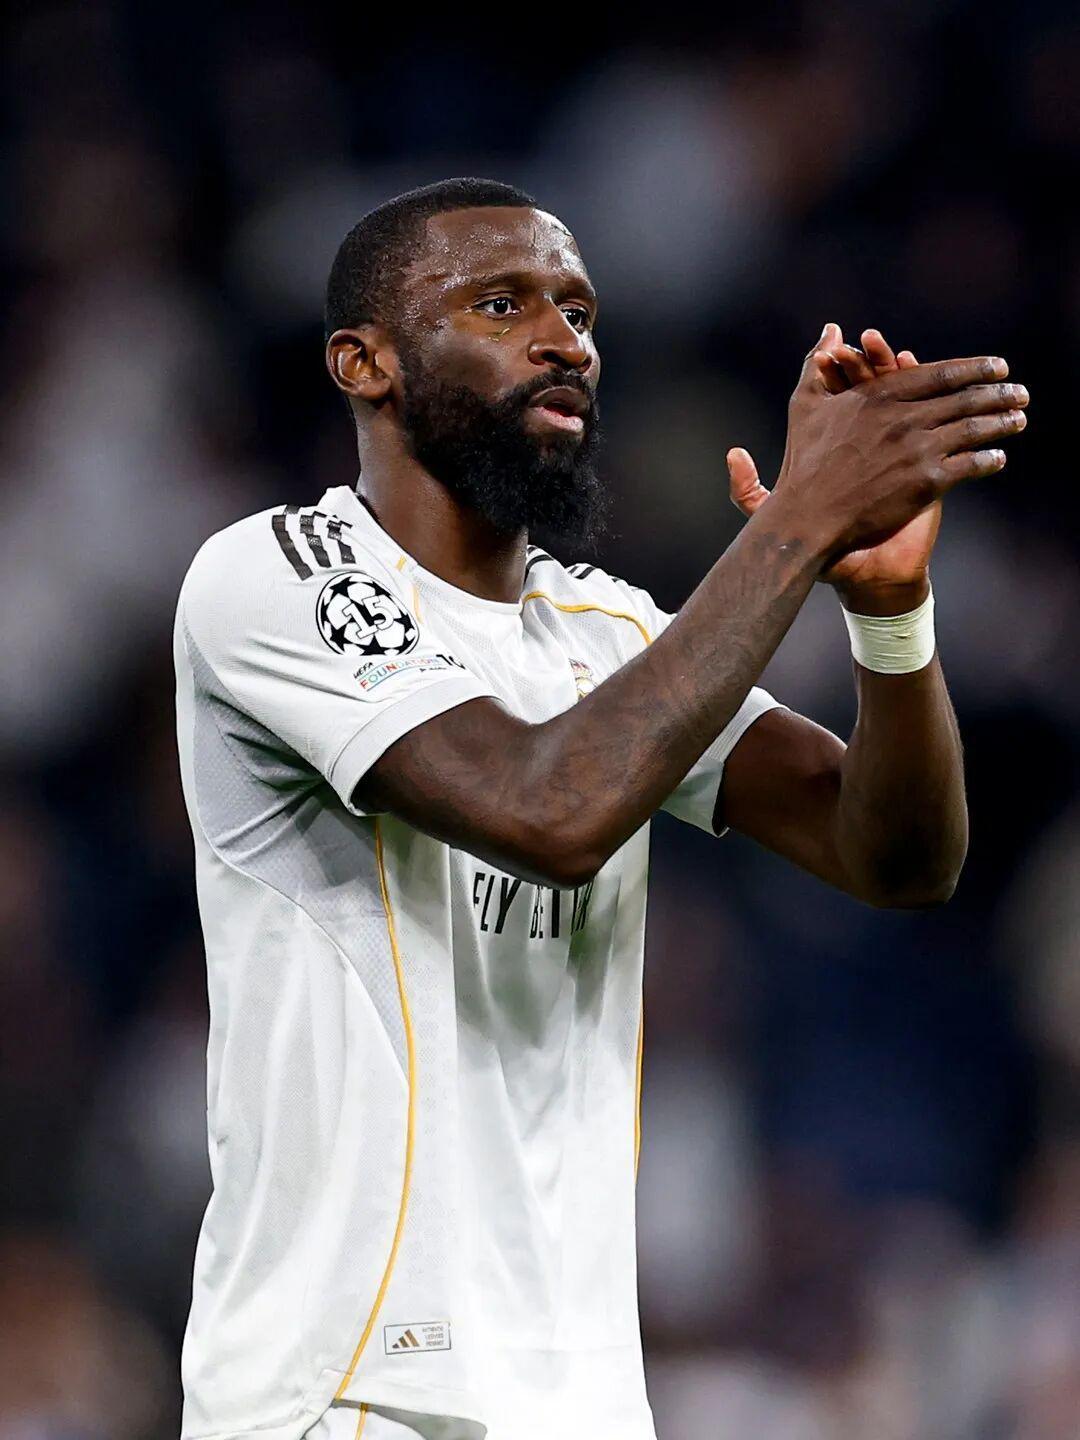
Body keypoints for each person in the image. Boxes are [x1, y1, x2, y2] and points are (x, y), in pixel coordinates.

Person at [173, 178, 1029, 1440]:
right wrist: (799, 521)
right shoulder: (275, 576)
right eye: (501, 304)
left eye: (577, 311)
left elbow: (894, 856)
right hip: (350, 1386)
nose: (561, 341)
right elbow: (548, 812)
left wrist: (889, 613)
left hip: (579, 1399)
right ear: (366, 363)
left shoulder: (604, 629)